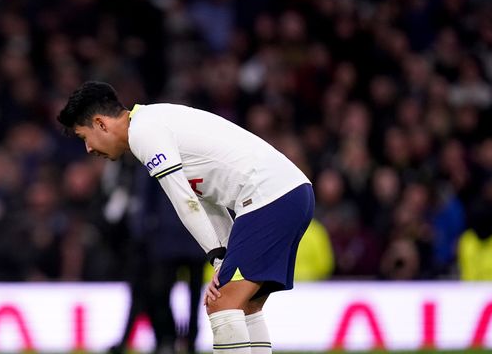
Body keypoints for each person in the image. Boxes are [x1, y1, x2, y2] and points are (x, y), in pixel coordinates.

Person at [57, 82, 314, 354]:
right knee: (245, 305)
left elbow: (185, 202)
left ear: (100, 123)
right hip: (290, 193)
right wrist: (224, 254)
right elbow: (209, 200)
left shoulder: (143, 133)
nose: (88, 149)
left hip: (269, 197)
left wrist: (216, 256)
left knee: (221, 303)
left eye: (84, 137)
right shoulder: (154, 121)